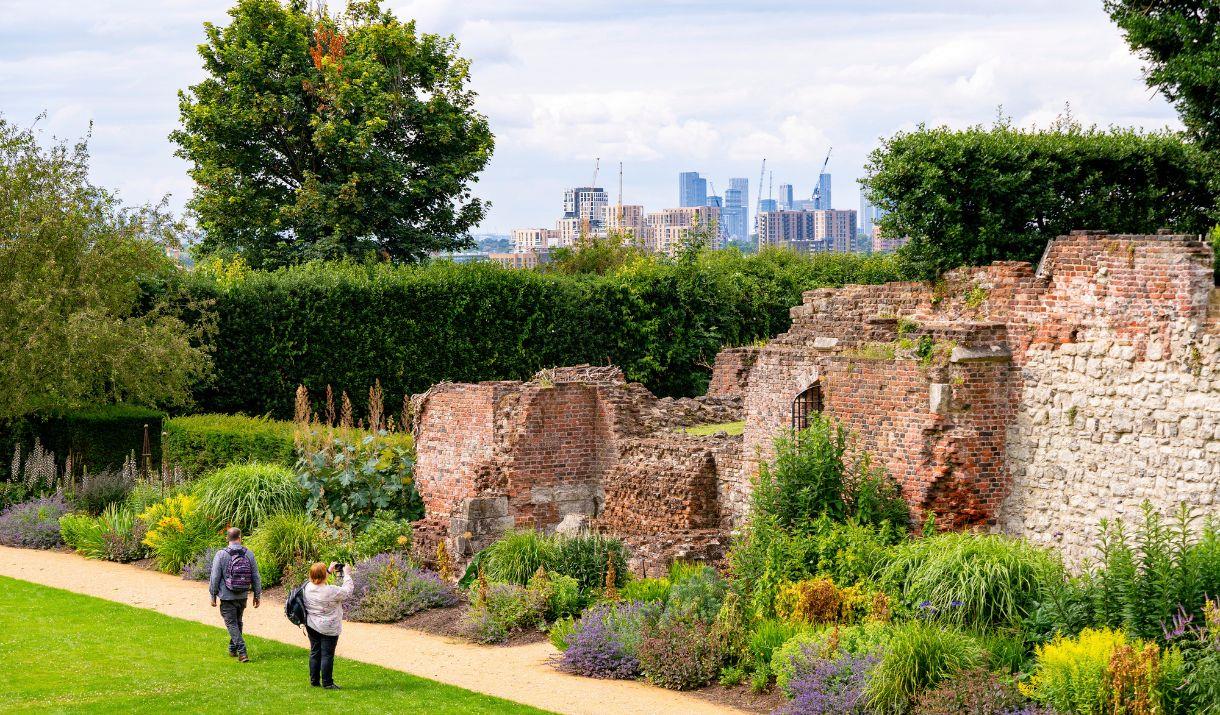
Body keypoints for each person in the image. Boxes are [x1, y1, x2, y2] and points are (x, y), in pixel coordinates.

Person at [209, 527, 262, 662]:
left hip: (227, 596)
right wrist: (257, 594)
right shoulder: (248, 554)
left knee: (232, 624)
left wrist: (213, 595)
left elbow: (215, 577)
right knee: (237, 622)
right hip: (243, 595)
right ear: (240, 537)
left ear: (227, 538)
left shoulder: (221, 554)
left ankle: (242, 652)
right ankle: (232, 649)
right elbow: (256, 576)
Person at [303, 561, 355, 689]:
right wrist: (347, 574)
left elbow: (317, 580)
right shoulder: (330, 591)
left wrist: (329, 570)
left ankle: (314, 680)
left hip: (312, 625)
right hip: (328, 627)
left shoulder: (307, 587)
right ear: (324, 576)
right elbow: (347, 591)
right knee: (327, 655)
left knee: (315, 652)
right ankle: (327, 683)